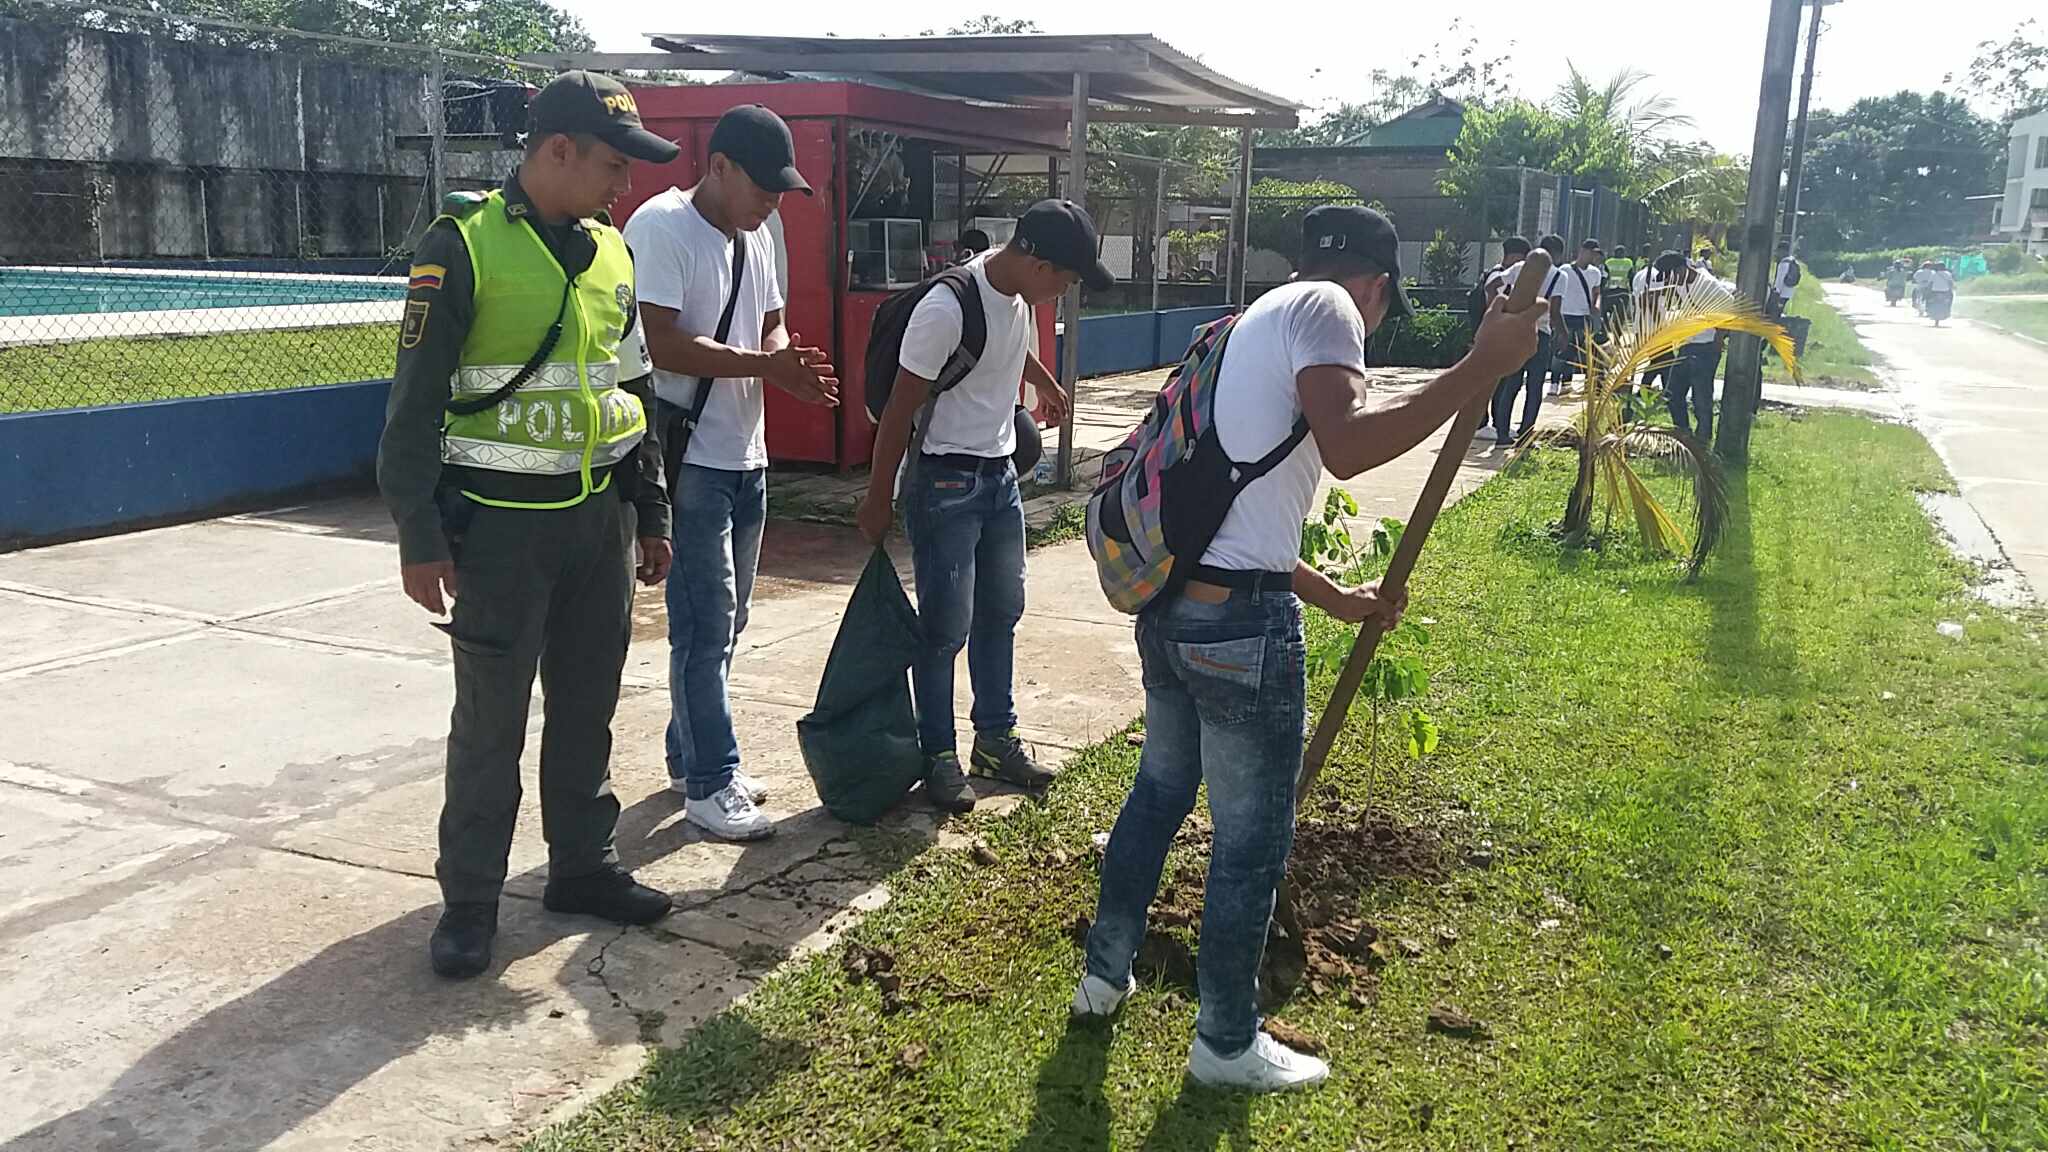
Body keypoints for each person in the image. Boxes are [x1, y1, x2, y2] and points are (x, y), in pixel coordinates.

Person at [1073, 205, 1543, 1092]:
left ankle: (1104, 977)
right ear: (1377, 284)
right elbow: (1352, 449)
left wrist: (1332, 595)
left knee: (1159, 795)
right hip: (1239, 634)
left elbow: (1231, 510)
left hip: (1175, 611)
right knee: (1250, 842)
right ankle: (1223, 1044)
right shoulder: (1330, 308)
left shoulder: (1245, 325)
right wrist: (1478, 366)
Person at [377, 71, 683, 979]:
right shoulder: (461, 246)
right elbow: (413, 405)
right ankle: (470, 901)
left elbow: (631, 390)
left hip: (598, 523)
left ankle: (582, 867)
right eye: (611, 165)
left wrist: (651, 508)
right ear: (556, 150)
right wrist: (419, 534)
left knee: (588, 708)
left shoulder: (614, 253)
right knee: (491, 725)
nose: (622, 184)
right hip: (500, 532)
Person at [625, 104, 840, 841]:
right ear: (717, 167)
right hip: (691, 462)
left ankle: (689, 757)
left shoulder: (759, 233)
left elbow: (772, 319)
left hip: (747, 456)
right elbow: (660, 345)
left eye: (783, 190)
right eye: (763, 187)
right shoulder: (659, 228)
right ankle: (713, 783)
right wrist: (763, 363)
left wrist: (786, 364)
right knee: (703, 624)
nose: (774, 202)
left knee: (732, 618)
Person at [856, 201, 1092, 810]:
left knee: (1001, 611)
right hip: (945, 483)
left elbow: (1001, 344)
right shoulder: (945, 307)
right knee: (944, 627)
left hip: (999, 477)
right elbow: (900, 410)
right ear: (1038, 264)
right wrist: (878, 497)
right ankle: (937, 754)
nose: (1063, 293)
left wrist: (1041, 378)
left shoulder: (1016, 296)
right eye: (1064, 280)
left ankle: (995, 738)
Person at [1490, 233, 1564, 442]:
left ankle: (1502, 433)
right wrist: (1563, 333)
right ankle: (1525, 434)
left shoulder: (1519, 267)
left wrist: (1497, 308)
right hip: (1540, 334)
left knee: (1511, 383)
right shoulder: (1559, 275)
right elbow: (1555, 309)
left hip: (1514, 331)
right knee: (1534, 386)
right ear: (1557, 254)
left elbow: (1492, 285)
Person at [1657, 253, 1728, 442]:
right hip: (1688, 344)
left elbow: (1729, 305)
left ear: (1681, 270)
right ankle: (1683, 434)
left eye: (1671, 276)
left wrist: (1719, 338)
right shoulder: (1683, 284)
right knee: (1672, 393)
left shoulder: (1708, 285)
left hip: (1706, 346)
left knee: (1701, 398)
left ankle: (1703, 439)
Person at [1479, 235, 1530, 444]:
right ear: (1514, 256)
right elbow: (1491, 298)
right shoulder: (1498, 276)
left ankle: (1492, 422)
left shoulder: (1497, 274)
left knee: (1498, 381)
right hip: (1491, 334)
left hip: (1493, 333)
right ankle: (1483, 423)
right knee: (1492, 381)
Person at [1553, 238, 1606, 392]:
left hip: (1583, 316)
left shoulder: (1595, 272)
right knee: (1561, 349)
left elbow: (1597, 292)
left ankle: (1566, 384)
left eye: (1596, 255)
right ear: (1582, 251)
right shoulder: (1565, 270)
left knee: (1575, 351)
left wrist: (1596, 306)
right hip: (1565, 315)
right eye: (1592, 253)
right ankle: (1555, 382)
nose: (1594, 257)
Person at [1767, 242, 1799, 319]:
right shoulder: (1792, 260)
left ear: (1783, 251)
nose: (1777, 253)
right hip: (1788, 293)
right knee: (1778, 311)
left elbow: (1780, 280)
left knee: (1773, 314)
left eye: (1778, 251)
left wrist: (1775, 292)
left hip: (1781, 294)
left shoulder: (1784, 263)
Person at [1926, 260, 1956, 326]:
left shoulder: (1934, 274)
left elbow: (1930, 283)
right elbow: (1950, 283)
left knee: (1928, 299)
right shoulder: (1948, 274)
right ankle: (1949, 309)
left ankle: (1927, 309)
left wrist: (1928, 290)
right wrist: (1951, 289)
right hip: (1945, 292)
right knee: (1950, 298)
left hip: (1934, 292)